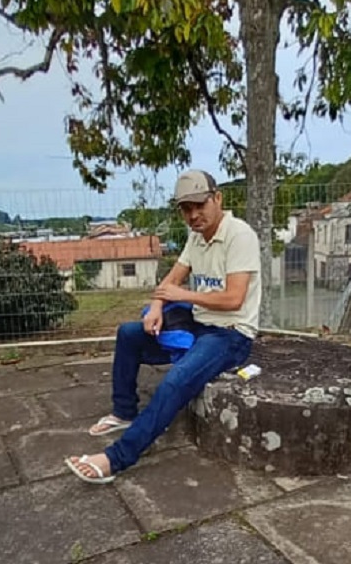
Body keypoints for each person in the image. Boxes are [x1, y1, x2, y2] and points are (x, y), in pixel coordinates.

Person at [65, 169, 262, 484]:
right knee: (129, 334)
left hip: (231, 335)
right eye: (186, 208)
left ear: (218, 198)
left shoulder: (240, 235)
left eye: (200, 205)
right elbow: (172, 279)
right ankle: (124, 411)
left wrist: (179, 295)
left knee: (175, 382)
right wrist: (157, 306)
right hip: (198, 324)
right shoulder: (196, 237)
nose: (194, 215)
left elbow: (234, 299)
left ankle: (117, 458)